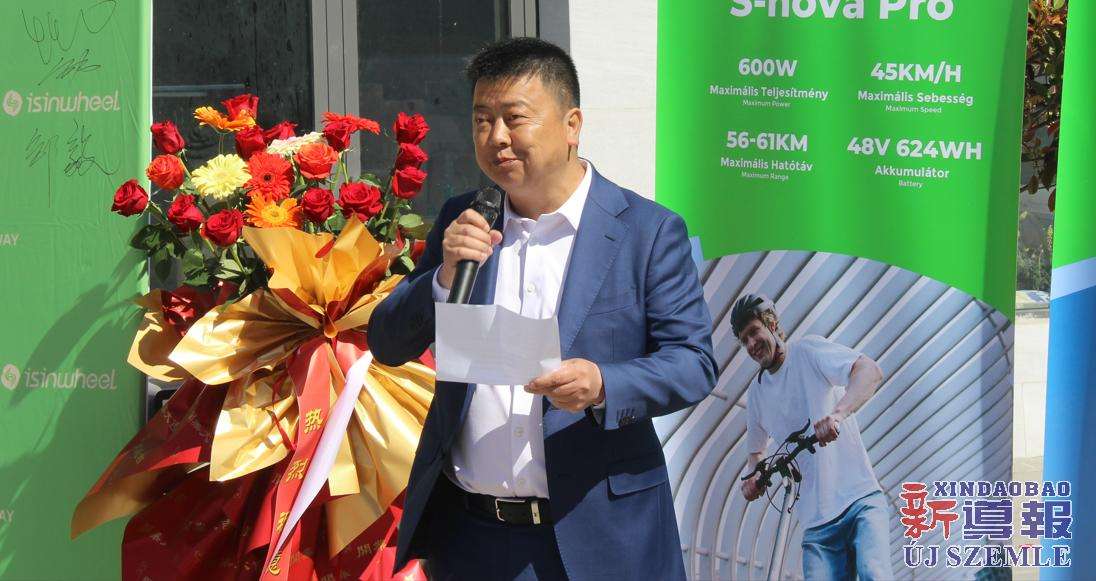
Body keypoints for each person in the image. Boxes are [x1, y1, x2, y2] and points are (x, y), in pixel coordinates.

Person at [367, 37, 716, 580]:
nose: (496, 138)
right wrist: (441, 278)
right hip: (470, 541)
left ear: (572, 125)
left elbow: (693, 363)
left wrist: (604, 384)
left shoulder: (645, 232)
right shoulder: (464, 219)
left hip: (597, 538)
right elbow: (387, 343)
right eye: (482, 121)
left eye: (515, 118)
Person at [733, 293, 893, 580]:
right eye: (744, 340)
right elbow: (755, 454)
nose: (751, 344)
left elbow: (870, 370)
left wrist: (837, 415)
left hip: (860, 501)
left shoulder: (807, 351)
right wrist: (752, 477)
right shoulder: (756, 394)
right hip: (817, 525)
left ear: (771, 324)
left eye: (754, 332)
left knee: (873, 573)